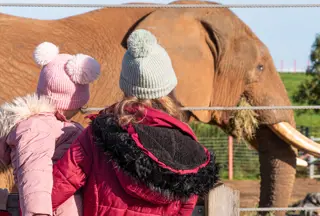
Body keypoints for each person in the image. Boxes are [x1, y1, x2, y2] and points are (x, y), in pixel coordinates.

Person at [51, 29, 220, 216]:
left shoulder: (99, 133)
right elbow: (186, 205)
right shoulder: (188, 147)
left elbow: (59, 185)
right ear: (168, 85)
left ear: (126, 85)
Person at [0, 42, 101, 216]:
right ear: (69, 102)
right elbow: (35, 174)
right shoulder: (37, 128)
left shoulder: (58, 125)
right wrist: (39, 213)